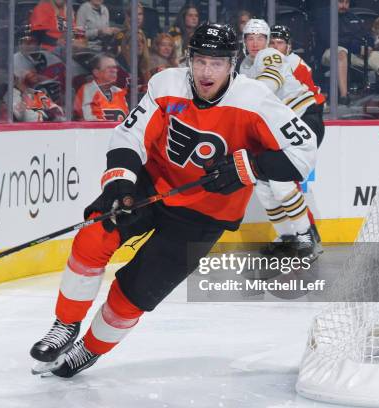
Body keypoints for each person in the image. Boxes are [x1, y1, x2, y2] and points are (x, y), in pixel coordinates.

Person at [30, 22, 317, 378]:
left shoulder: (256, 101)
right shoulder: (166, 84)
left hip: (205, 215)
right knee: (92, 237)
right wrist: (120, 180)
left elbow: (304, 152)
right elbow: (130, 133)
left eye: (216, 63)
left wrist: (248, 167)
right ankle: (65, 325)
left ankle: (89, 348)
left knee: (133, 294)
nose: (206, 71)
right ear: (190, 60)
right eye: (200, 62)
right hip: (154, 186)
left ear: (232, 64)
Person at [239, 19, 325, 259]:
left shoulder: (269, 55)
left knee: (281, 182)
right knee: (263, 185)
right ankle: (288, 237)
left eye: (260, 38)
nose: (256, 43)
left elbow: (269, 82)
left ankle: (306, 238)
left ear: (267, 41)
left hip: (304, 120)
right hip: (280, 127)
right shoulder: (244, 67)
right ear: (243, 41)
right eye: (250, 38)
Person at [315, 0, 379, 106]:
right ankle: (344, 96)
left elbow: (368, 36)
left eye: (346, 3)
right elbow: (329, 40)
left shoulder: (353, 17)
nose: (344, 6)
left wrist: (368, 46)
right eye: (340, 2)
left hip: (355, 53)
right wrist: (357, 48)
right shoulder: (324, 17)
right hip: (329, 52)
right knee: (341, 52)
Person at [74, 54, 128, 121]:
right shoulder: (87, 90)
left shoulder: (119, 92)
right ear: (96, 73)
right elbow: (89, 121)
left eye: (115, 67)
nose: (114, 71)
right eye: (109, 68)